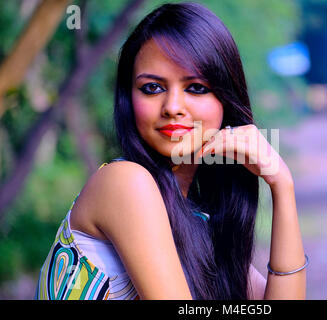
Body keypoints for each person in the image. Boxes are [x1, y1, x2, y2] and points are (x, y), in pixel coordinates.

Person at [35, 2, 307, 300]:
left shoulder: (195, 219)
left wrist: (282, 185)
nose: (173, 107)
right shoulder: (125, 183)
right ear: (129, 98)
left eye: (196, 88)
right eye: (152, 88)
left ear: (226, 101)